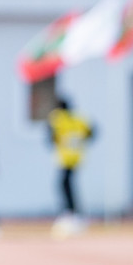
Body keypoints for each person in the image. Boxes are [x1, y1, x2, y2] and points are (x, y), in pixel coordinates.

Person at [47, 97, 93, 235]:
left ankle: (70, 213)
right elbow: (92, 132)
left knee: (64, 185)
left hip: (65, 158)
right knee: (69, 185)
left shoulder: (58, 118)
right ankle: (74, 213)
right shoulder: (79, 118)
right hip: (77, 156)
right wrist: (80, 142)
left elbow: (50, 136)